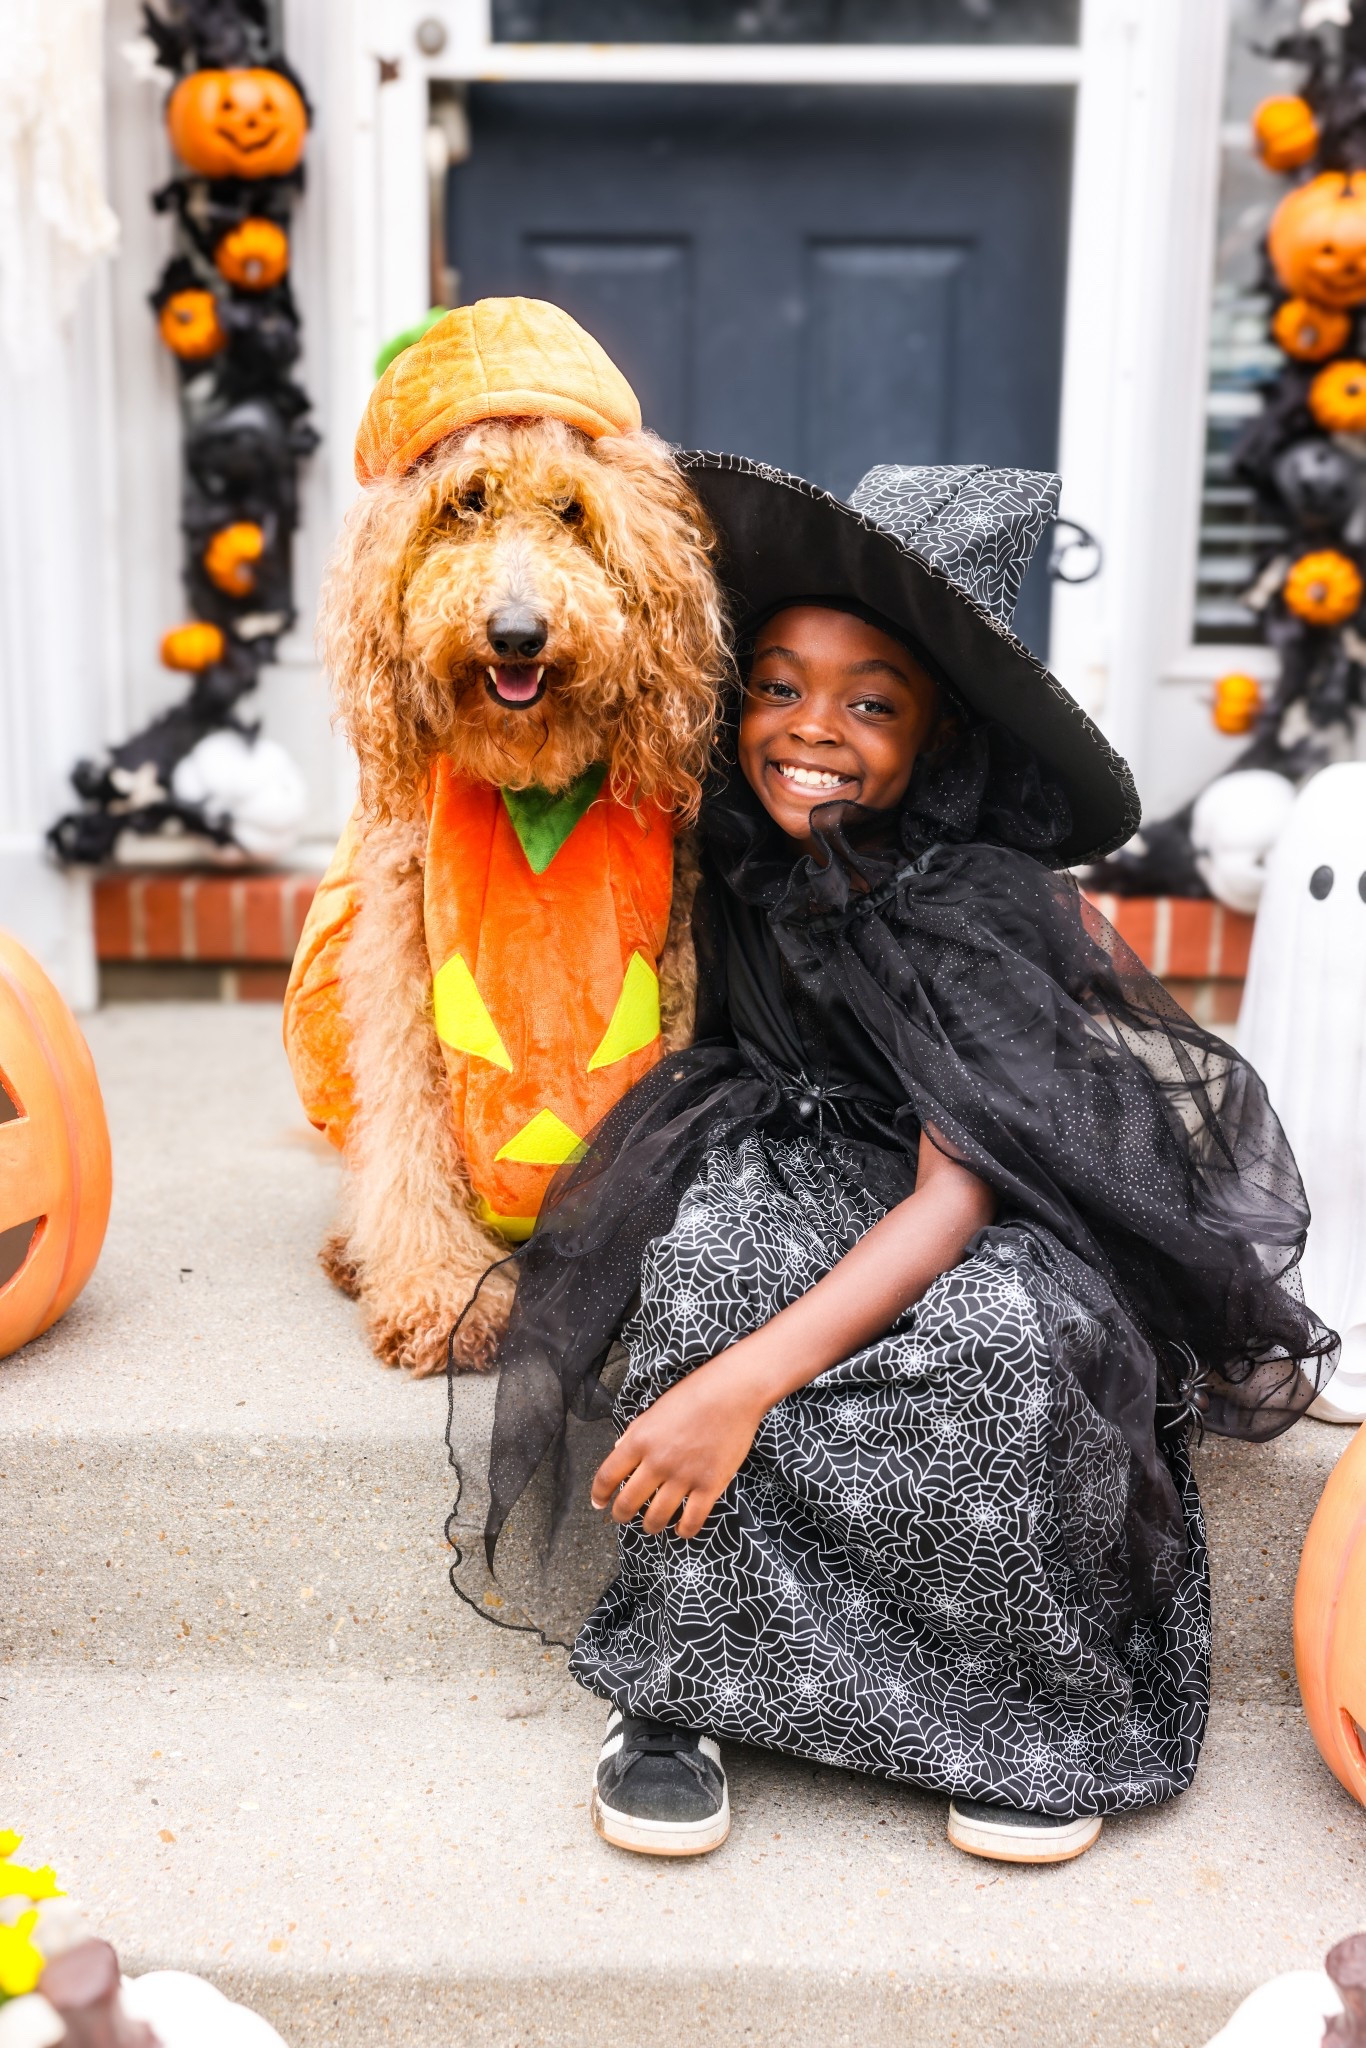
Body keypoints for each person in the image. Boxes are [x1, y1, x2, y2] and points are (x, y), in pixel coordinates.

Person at [451, 459, 1334, 1867]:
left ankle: (1014, 1715)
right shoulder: (733, 842)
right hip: (772, 1150)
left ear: (940, 742)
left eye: (872, 704)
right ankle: (679, 1689)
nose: (812, 728)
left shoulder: (969, 904)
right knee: (703, 1268)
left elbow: (954, 1193)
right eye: (778, 686)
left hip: (963, 1197)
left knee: (1003, 1340)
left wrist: (748, 1386)